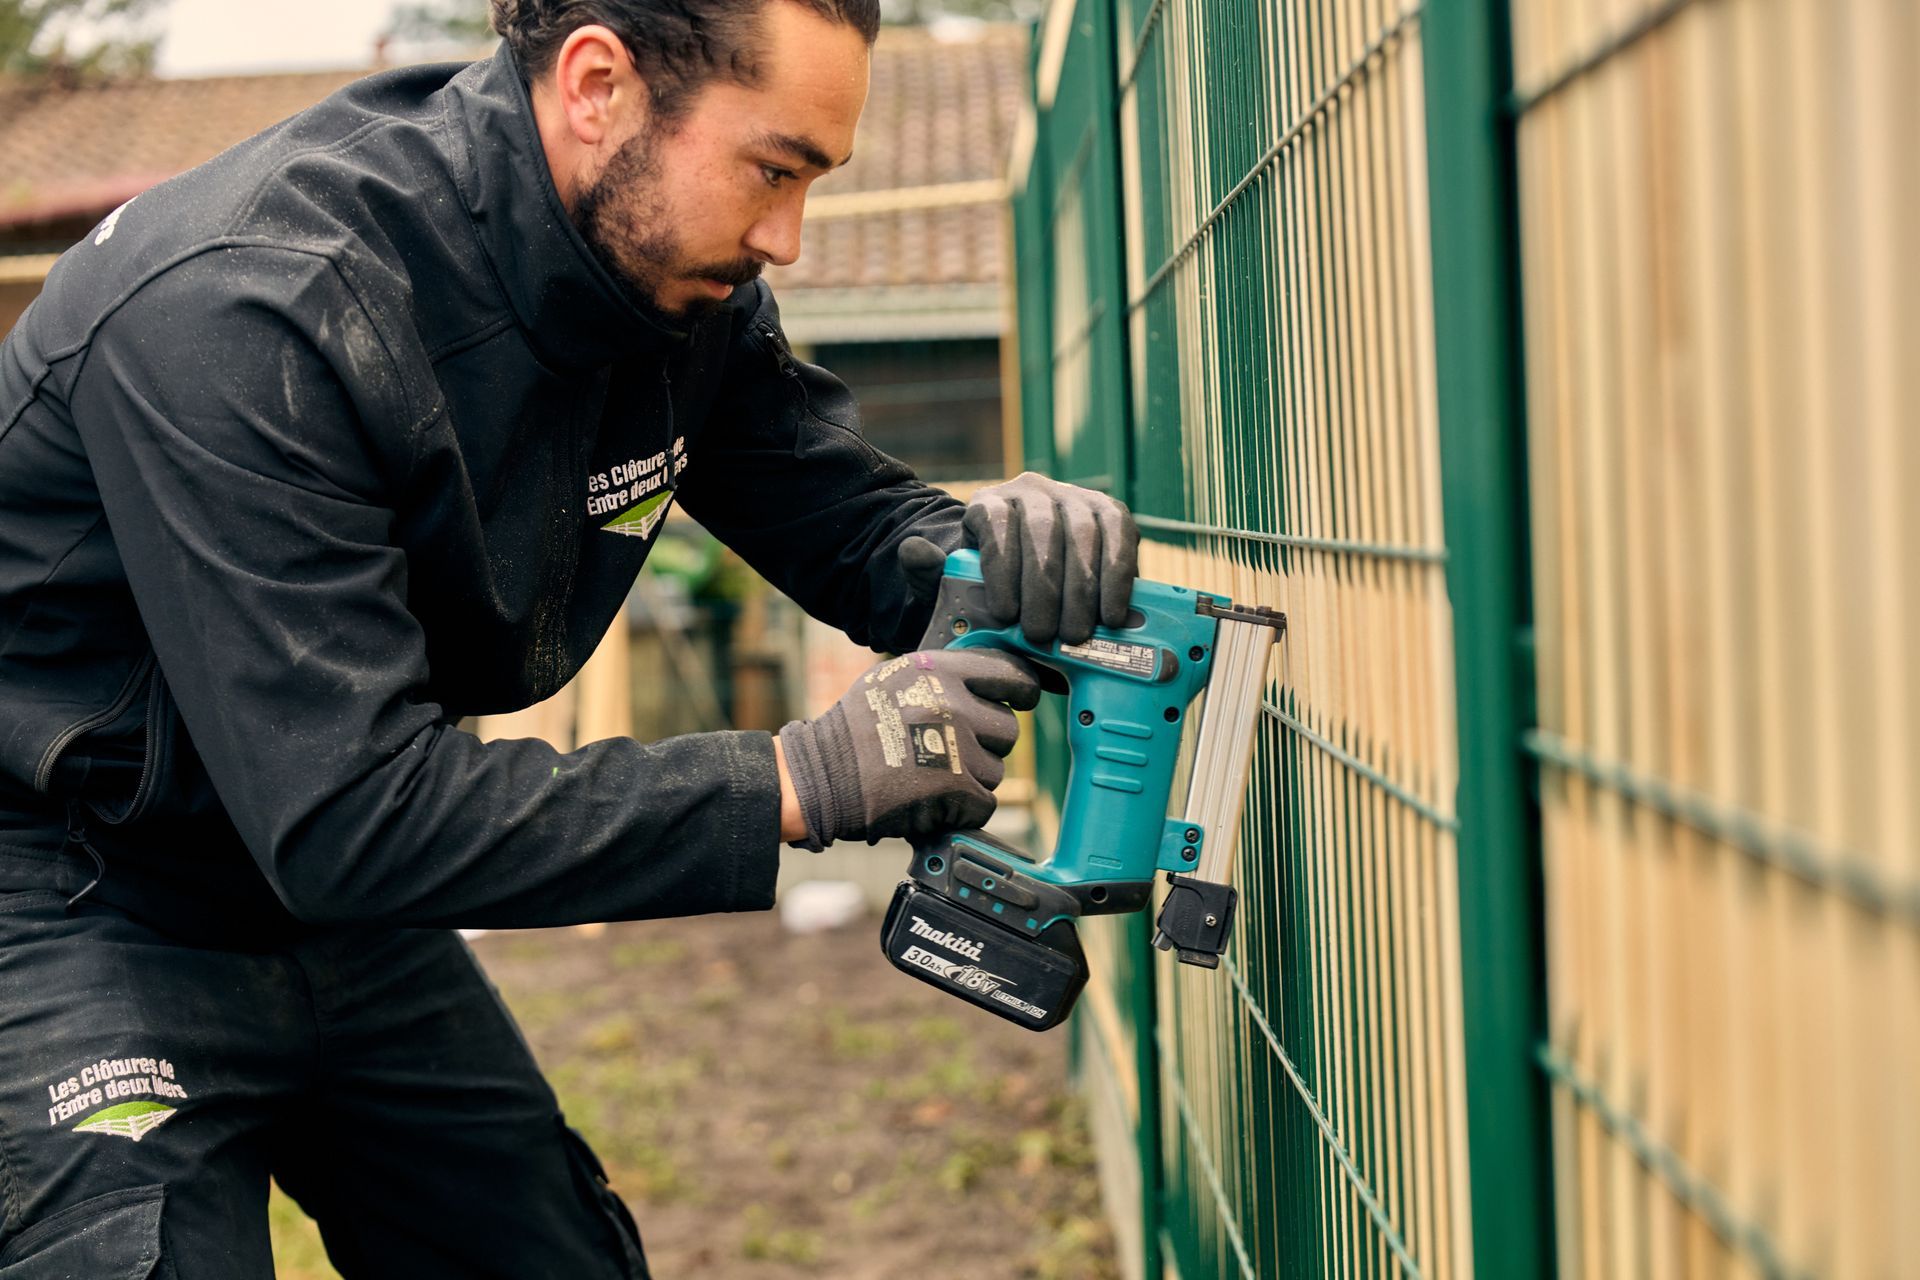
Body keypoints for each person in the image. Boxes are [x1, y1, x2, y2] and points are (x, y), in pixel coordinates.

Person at [0, 0, 1137, 1275]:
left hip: (329, 885)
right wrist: (795, 780)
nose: (791, 238)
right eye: (773, 170)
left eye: (816, 182)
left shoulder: (663, 279)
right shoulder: (251, 308)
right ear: (598, 85)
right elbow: (351, 815)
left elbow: (842, 517)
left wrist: (994, 559)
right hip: (77, 886)